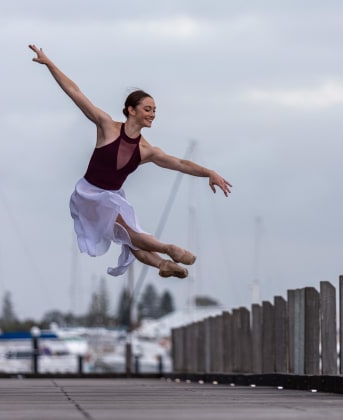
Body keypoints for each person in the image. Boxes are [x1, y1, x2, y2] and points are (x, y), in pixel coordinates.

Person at [29, 44, 232, 279]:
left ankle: (163, 263)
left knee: (132, 241)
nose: (152, 114)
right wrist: (50, 64)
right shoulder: (107, 126)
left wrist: (209, 172)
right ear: (130, 110)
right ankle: (167, 249)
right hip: (90, 194)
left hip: (113, 197)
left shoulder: (147, 151)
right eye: (147, 109)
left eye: (155, 110)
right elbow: (75, 93)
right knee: (129, 233)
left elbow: (181, 164)